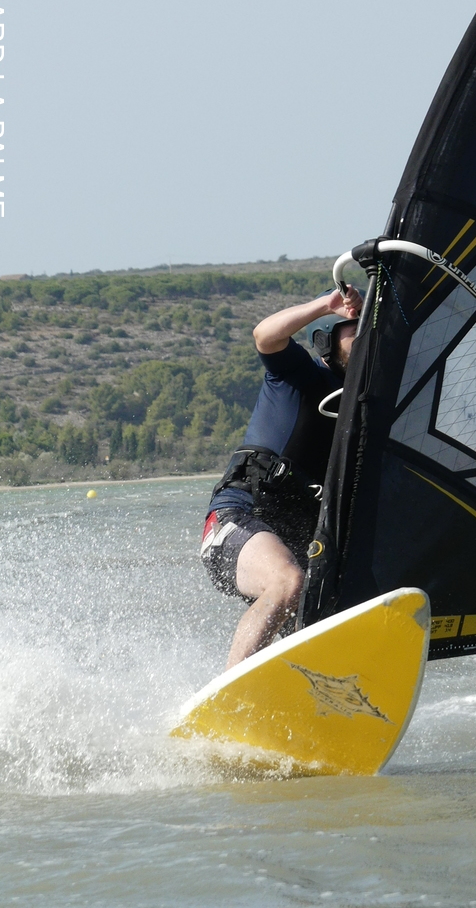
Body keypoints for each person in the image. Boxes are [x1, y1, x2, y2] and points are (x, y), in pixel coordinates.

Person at [199, 286, 362, 668]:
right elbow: (265, 335)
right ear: (326, 340)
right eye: (354, 330)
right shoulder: (297, 374)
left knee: (328, 630)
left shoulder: (367, 408)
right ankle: (231, 693)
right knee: (286, 582)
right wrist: (327, 304)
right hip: (236, 519)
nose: (364, 337)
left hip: (300, 542)